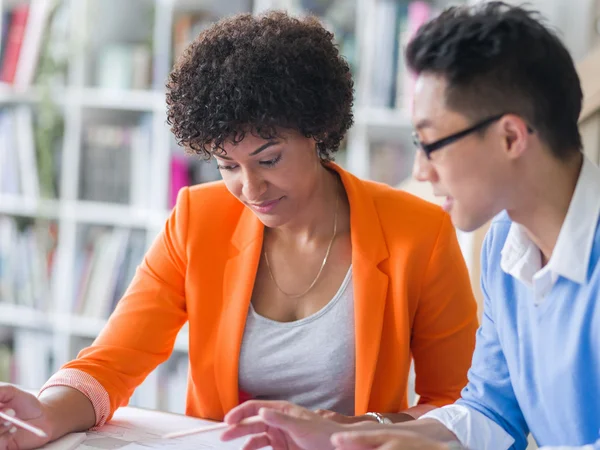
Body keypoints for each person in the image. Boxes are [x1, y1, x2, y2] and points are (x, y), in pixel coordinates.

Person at [0, 11, 479, 450]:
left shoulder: (418, 233)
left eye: (269, 159)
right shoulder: (197, 218)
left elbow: (462, 407)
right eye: (227, 165)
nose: (250, 188)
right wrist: (47, 413)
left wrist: (346, 431)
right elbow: (112, 361)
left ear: (317, 130)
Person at [222, 2, 600, 450]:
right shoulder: (505, 244)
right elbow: (490, 412)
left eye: (432, 143)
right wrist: (348, 433)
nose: (421, 170)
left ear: (510, 138)